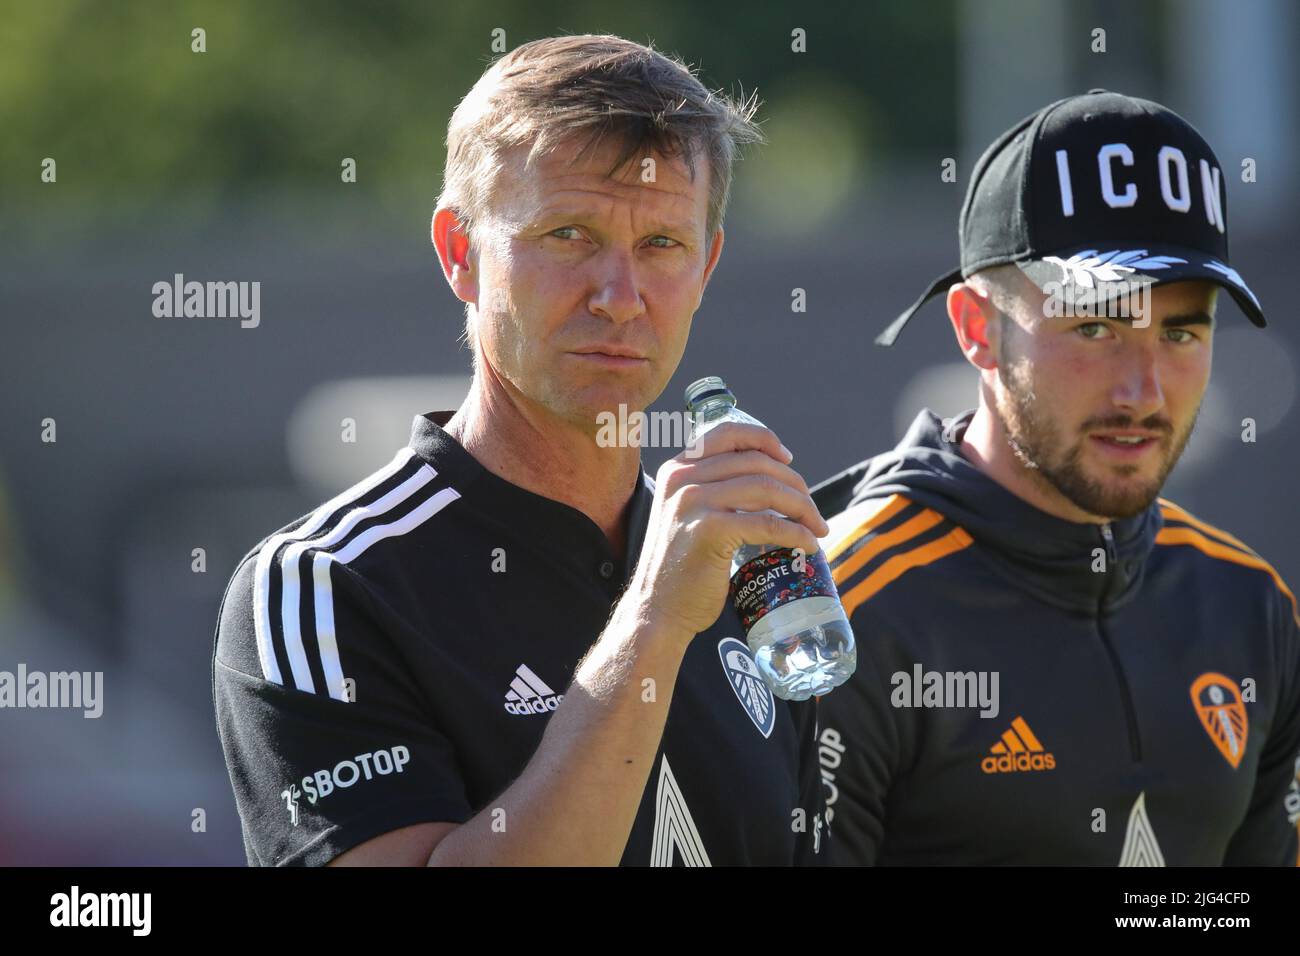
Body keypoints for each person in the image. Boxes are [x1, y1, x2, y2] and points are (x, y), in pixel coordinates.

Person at [212, 34, 830, 866]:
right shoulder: (322, 586)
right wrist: (651, 623)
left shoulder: (750, 570)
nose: (620, 297)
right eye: (568, 234)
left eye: (662, 246)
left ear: (707, 266)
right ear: (459, 253)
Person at [813, 90, 1299, 865]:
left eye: (1181, 330)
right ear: (978, 328)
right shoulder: (840, 616)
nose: (1142, 391)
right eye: (1096, 327)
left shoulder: (1251, 607)